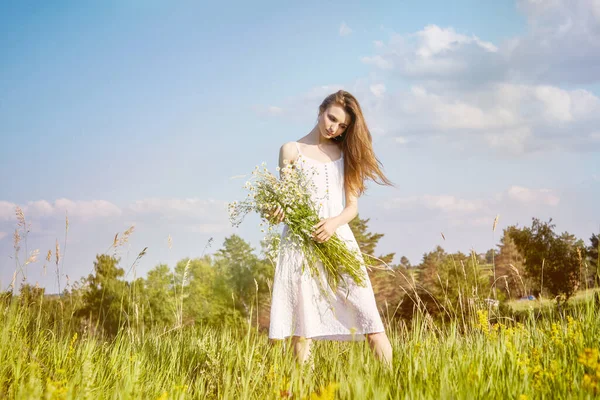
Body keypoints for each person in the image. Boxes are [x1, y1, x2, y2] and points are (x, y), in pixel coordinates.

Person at [266, 89, 394, 367]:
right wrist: (276, 211)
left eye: (341, 125)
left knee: (370, 319)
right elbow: (286, 203)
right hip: (301, 243)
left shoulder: (346, 154)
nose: (333, 127)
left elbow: (352, 207)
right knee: (303, 328)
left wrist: (333, 223)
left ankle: (393, 385)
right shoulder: (291, 150)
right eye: (331, 118)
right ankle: (304, 390)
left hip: (338, 239)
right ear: (321, 109)